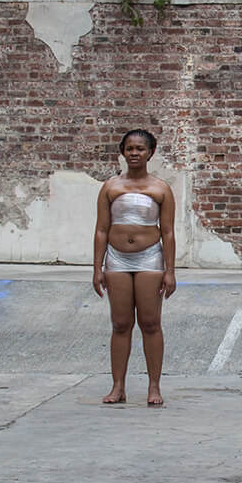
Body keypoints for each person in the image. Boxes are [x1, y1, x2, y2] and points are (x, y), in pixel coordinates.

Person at [92, 128, 177, 407]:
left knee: (150, 323)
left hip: (150, 259)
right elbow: (102, 230)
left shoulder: (161, 188)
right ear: (122, 151)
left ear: (151, 152)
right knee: (120, 323)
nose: (135, 153)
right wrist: (97, 267)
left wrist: (170, 270)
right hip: (117, 259)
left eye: (140, 148)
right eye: (130, 148)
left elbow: (168, 232)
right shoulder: (111, 187)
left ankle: (154, 385)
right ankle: (118, 386)